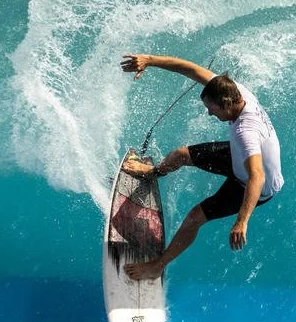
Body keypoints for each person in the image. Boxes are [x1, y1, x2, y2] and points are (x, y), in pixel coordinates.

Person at [118, 53, 284, 280]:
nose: (209, 112)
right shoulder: (236, 92)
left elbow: (257, 176)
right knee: (180, 155)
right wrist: (149, 60)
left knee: (195, 217)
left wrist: (242, 221)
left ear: (227, 104)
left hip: (253, 186)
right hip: (240, 158)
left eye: (212, 109)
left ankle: (157, 267)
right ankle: (153, 172)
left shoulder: (246, 132)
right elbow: (192, 69)